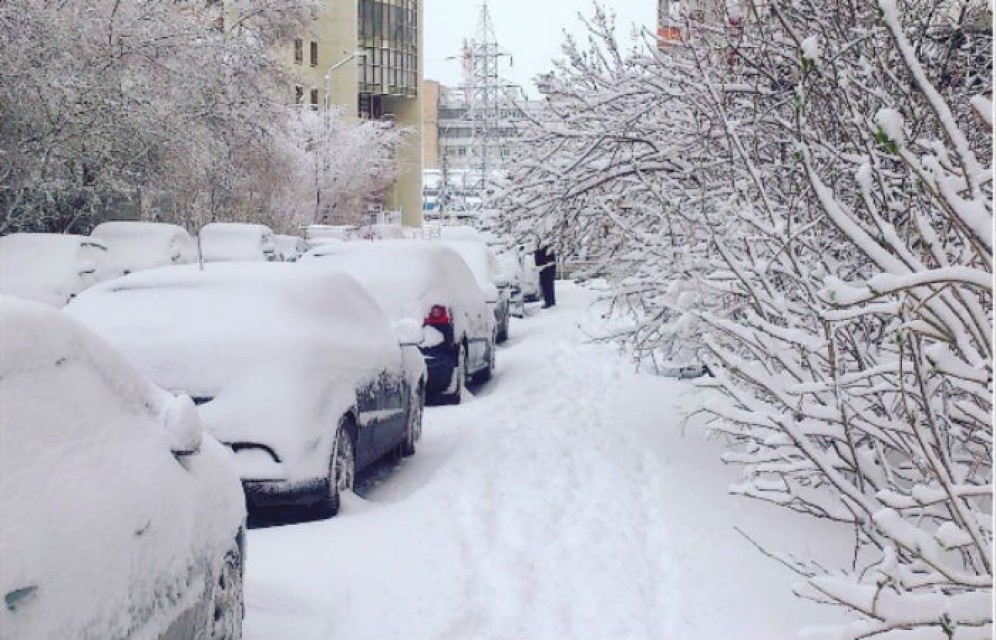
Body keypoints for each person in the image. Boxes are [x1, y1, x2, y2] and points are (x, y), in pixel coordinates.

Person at [534, 243, 556, 308]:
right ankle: (551, 301)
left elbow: (540, 262)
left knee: (546, 287)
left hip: (545, 271)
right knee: (549, 286)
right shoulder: (548, 250)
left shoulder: (541, 251)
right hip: (549, 271)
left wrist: (542, 266)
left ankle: (548, 302)